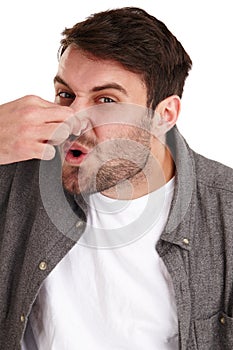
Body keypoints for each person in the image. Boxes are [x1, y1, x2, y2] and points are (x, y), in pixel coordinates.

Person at [0, 6, 232, 350]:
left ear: (163, 115)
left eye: (105, 100)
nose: (73, 120)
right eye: (65, 94)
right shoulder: (15, 173)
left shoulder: (225, 209)